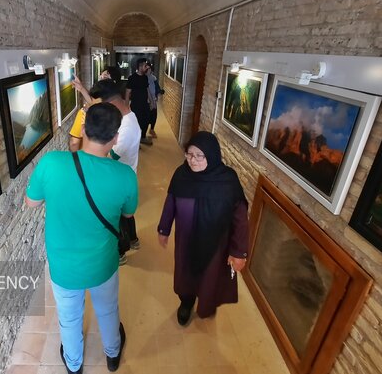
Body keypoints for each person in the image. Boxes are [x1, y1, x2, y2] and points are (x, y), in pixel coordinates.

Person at [26, 103, 138, 373]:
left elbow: (32, 202)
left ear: (84, 129)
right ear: (114, 137)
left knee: (69, 317)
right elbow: (128, 212)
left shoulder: (52, 163)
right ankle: (112, 355)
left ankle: (74, 364)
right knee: (108, 310)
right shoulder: (125, 175)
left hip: (63, 266)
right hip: (103, 263)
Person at [157, 131, 249, 325]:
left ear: (212, 155)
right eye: (189, 154)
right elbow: (171, 201)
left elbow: (240, 217)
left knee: (210, 277)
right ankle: (186, 302)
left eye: (200, 155)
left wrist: (239, 251)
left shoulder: (227, 180)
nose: (193, 160)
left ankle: (206, 304)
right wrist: (164, 228)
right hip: (186, 240)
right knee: (185, 274)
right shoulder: (181, 174)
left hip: (216, 244)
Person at [90, 79, 142, 265]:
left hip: (119, 181)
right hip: (127, 175)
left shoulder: (126, 130)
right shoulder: (128, 116)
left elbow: (107, 158)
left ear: (111, 103)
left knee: (117, 218)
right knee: (127, 215)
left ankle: (120, 253)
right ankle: (134, 240)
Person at [69, 66, 121, 152]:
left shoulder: (85, 113)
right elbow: (93, 101)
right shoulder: (117, 111)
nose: (100, 78)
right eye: (101, 76)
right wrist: (81, 88)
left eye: (105, 77)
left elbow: (74, 143)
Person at [125, 58, 153, 146]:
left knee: (147, 119)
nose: (147, 67)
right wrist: (126, 106)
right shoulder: (132, 78)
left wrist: (151, 101)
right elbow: (127, 92)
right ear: (140, 67)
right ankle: (135, 141)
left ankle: (143, 137)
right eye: (145, 66)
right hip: (135, 104)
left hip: (145, 104)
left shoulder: (145, 77)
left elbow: (147, 89)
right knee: (136, 122)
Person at [145, 64, 163, 138]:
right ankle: (143, 133)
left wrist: (159, 92)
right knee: (145, 116)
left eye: (149, 69)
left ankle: (152, 129)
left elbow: (157, 87)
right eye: (146, 69)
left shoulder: (153, 78)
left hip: (153, 99)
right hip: (145, 101)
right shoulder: (143, 78)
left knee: (154, 115)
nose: (148, 70)